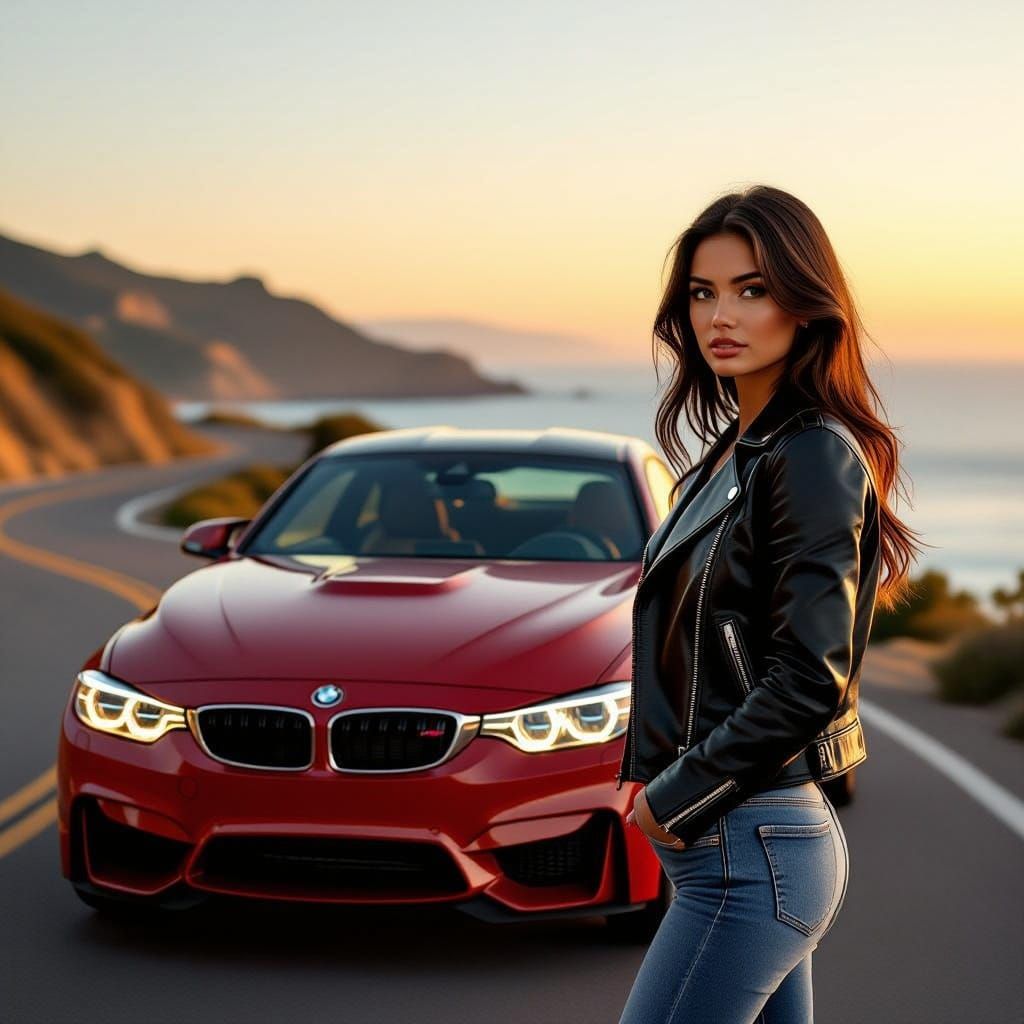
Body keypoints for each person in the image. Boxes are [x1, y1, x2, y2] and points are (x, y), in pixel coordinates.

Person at [615, 185, 923, 1023]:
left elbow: (810, 678)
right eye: (703, 292)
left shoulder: (811, 453)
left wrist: (672, 795)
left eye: (752, 289)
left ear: (806, 303)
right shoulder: (729, 455)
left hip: (750, 853)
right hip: (736, 850)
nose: (721, 315)